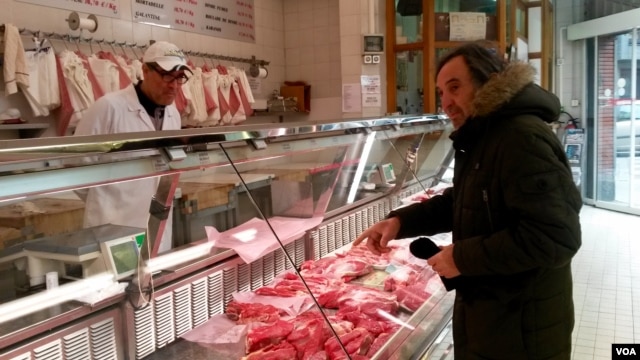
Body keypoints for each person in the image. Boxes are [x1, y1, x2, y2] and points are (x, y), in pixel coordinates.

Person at [354, 42, 582, 359]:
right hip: (494, 316)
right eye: (441, 92)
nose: (446, 102)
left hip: (523, 328)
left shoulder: (521, 137)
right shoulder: (487, 135)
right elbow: (462, 200)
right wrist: (400, 221)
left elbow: (555, 238)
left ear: (488, 81)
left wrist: (462, 257)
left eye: (455, 87)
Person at [74, 41, 191, 253]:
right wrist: (107, 203)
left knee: (155, 284)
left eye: (179, 78)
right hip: (112, 229)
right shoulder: (108, 108)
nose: (174, 85)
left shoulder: (173, 114)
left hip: (157, 227)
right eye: (166, 76)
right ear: (145, 70)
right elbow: (75, 169)